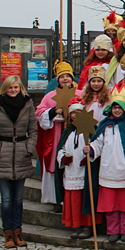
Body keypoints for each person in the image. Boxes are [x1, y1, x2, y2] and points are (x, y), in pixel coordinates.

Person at [84, 88, 125, 243]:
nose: (117, 110)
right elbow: (99, 143)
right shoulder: (105, 126)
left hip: (124, 171)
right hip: (108, 170)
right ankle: (113, 230)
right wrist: (92, 148)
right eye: (115, 107)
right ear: (111, 109)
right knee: (110, 205)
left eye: (120, 108)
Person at [0, 76, 37, 248]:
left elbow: (33, 128)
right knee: (6, 198)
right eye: (10, 88)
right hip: (4, 153)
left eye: (16, 87)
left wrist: (29, 148)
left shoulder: (27, 104)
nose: (13, 90)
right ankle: (8, 233)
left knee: (18, 198)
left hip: (21, 153)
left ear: (20, 88)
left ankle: (18, 232)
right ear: (5, 88)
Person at [36, 61, 82, 211]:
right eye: (62, 77)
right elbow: (39, 112)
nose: (65, 79)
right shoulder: (51, 96)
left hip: (76, 134)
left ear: (72, 78)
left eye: (68, 76)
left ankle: (75, 199)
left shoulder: (80, 93)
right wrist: (53, 111)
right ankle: (57, 198)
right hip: (56, 134)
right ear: (58, 80)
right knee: (59, 163)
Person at [56, 97, 102, 240]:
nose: (76, 115)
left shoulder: (90, 130)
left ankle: (87, 226)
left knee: (86, 197)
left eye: (78, 112)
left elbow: (99, 143)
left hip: (85, 171)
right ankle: (75, 224)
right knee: (74, 200)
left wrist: (91, 151)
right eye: (73, 113)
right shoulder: (67, 132)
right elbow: (61, 148)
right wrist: (63, 157)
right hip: (71, 170)